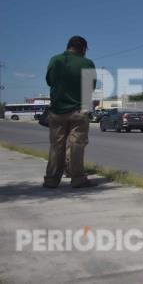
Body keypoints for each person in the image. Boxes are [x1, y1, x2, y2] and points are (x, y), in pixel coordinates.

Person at [43, 36, 97, 188]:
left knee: (56, 146)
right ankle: (78, 179)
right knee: (76, 145)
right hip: (78, 110)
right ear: (83, 49)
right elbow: (89, 88)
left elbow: (49, 81)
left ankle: (51, 180)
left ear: (68, 46)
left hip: (57, 110)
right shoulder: (87, 63)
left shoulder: (55, 60)